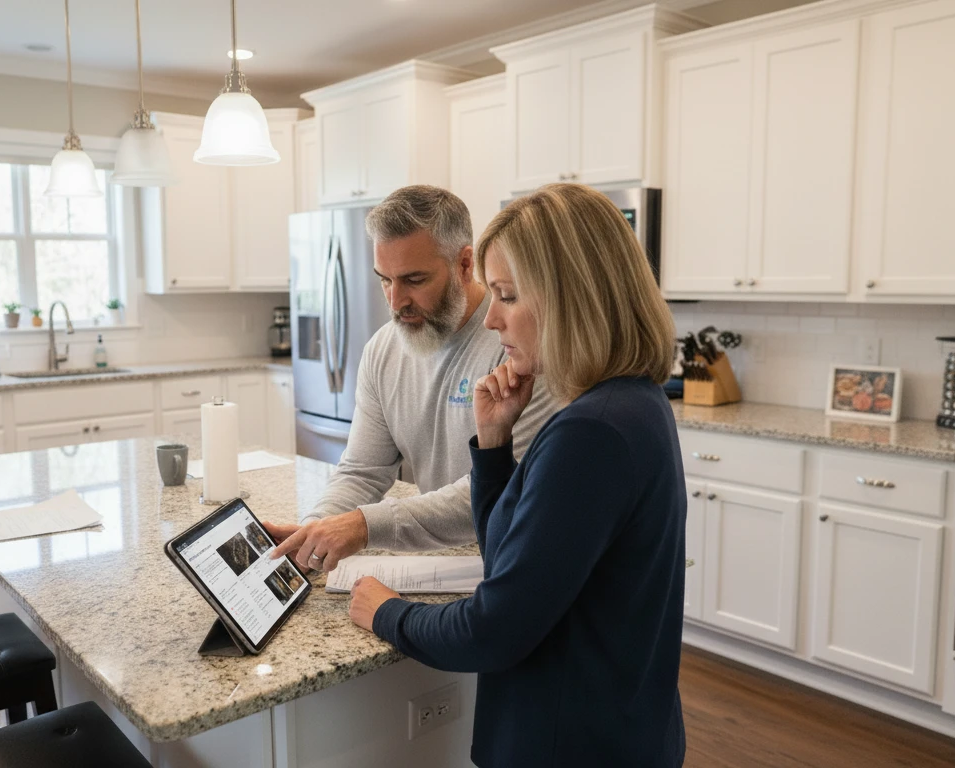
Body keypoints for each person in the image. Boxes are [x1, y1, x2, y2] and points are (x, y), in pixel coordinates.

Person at [347, 183, 688, 766]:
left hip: (568, 743)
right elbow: (508, 554)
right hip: (618, 726)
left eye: (505, 294)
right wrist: (494, 446)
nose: (493, 317)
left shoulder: (591, 433)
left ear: (568, 297)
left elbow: (493, 630)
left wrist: (385, 610)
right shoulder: (632, 402)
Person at [267, 185, 558, 573]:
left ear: (465, 264)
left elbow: (504, 489)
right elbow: (361, 471)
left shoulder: (516, 343)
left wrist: (363, 526)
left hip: (511, 561)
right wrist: (315, 531)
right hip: (441, 563)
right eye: (384, 279)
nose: (394, 300)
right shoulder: (383, 350)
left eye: (414, 280)